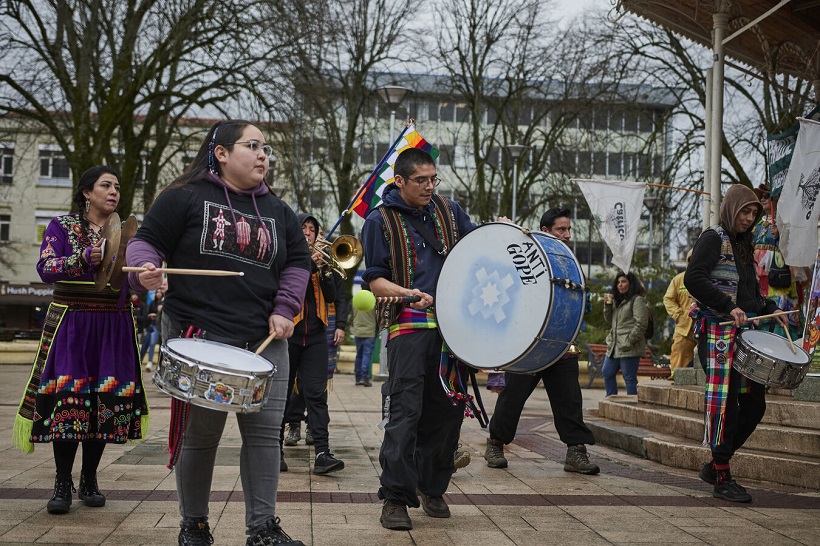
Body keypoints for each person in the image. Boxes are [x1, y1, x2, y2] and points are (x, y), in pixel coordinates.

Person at [126, 119, 308, 545]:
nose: (263, 155)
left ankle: (262, 529)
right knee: (201, 437)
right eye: (253, 146)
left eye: (266, 148)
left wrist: (286, 308)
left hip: (264, 339)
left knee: (265, 437)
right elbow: (146, 242)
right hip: (199, 337)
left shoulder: (280, 211)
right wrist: (144, 271)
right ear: (221, 153)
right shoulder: (182, 197)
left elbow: (298, 264)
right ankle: (194, 525)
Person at [12, 166, 149, 515]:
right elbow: (46, 269)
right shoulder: (62, 226)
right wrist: (83, 258)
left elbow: (133, 280)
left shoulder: (127, 233)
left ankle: (89, 478)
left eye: (117, 186)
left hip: (113, 325)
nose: (114, 191)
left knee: (104, 398)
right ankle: (62, 482)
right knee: (70, 398)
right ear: (87, 192)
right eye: (106, 185)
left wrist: (147, 276)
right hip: (73, 323)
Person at [362, 148, 475, 531]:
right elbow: (376, 281)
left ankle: (433, 487)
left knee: (447, 414)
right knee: (405, 414)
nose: (429, 186)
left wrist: (503, 233)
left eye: (433, 179)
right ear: (399, 181)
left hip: (453, 331)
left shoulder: (451, 211)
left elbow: (477, 251)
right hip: (408, 327)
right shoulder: (378, 220)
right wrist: (407, 293)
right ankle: (395, 498)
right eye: (421, 180)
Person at [684, 183, 787, 503]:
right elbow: (693, 278)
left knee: (755, 406)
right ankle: (722, 475)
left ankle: (716, 464)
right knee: (725, 406)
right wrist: (727, 306)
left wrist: (770, 308)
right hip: (718, 333)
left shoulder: (745, 243)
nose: (749, 218)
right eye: (745, 211)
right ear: (731, 209)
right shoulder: (713, 237)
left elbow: (750, 292)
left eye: (754, 213)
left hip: (744, 336)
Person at [483, 208, 599, 475]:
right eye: (561, 230)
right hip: (530, 346)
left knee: (569, 399)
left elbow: (583, 303)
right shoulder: (523, 260)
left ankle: (576, 451)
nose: (567, 235)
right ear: (545, 231)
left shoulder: (570, 263)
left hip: (562, 344)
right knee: (512, 397)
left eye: (569, 230)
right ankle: (495, 444)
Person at [280, 213, 344, 475]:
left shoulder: (322, 260)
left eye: (312, 229)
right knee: (282, 394)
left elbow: (332, 295)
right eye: (303, 228)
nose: (308, 232)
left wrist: (326, 271)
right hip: (289, 334)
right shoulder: (285, 255)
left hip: (316, 335)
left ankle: (322, 453)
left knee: (317, 395)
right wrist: (311, 265)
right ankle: (274, 451)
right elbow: (289, 283)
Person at [602, 271, 649, 396]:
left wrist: (629, 340)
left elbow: (641, 324)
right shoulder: (618, 301)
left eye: (623, 281)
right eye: (618, 282)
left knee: (629, 378)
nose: (620, 285)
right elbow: (609, 320)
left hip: (629, 346)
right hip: (614, 345)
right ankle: (611, 401)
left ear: (631, 283)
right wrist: (608, 305)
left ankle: (632, 405)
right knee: (607, 372)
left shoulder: (637, 300)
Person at [663, 250, 696, 375]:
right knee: (679, 358)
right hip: (684, 329)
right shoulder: (678, 280)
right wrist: (679, 315)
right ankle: (676, 379)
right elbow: (668, 299)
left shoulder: (711, 279)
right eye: (691, 259)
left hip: (706, 327)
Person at [350, 281, 377, 386]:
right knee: (367, 354)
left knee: (359, 354)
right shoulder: (373, 299)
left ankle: (357, 378)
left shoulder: (355, 299)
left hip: (358, 330)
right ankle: (364, 377)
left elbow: (351, 315)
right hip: (370, 331)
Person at [140, 289, 162, 371]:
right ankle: (139, 361)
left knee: (152, 343)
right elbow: (147, 314)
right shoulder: (153, 303)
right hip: (150, 325)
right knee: (145, 344)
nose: (158, 294)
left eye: (160, 293)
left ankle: (150, 362)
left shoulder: (163, 303)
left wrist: (157, 314)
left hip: (157, 326)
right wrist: (150, 315)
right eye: (157, 292)